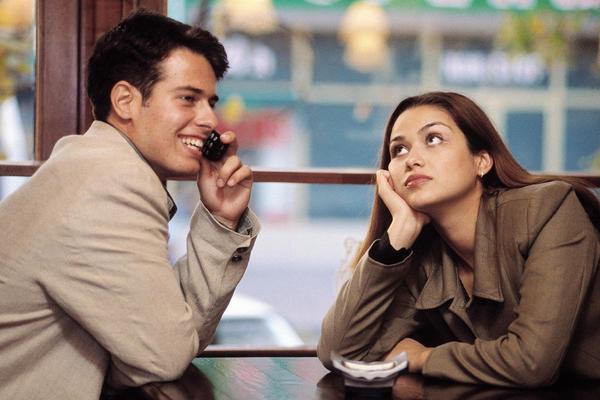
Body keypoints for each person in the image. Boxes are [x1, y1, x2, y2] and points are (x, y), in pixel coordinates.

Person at [0, 10, 260, 400]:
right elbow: (165, 357)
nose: (210, 119)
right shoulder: (112, 182)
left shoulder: (89, 163)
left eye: (210, 102)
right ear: (125, 100)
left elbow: (160, 343)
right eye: (188, 99)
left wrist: (221, 219)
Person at [318, 91, 600, 387]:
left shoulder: (549, 208)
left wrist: (422, 357)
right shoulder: (421, 256)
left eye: (433, 139)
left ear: (482, 161)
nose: (411, 159)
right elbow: (338, 352)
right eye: (399, 150)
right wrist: (395, 240)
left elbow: (531, 363)